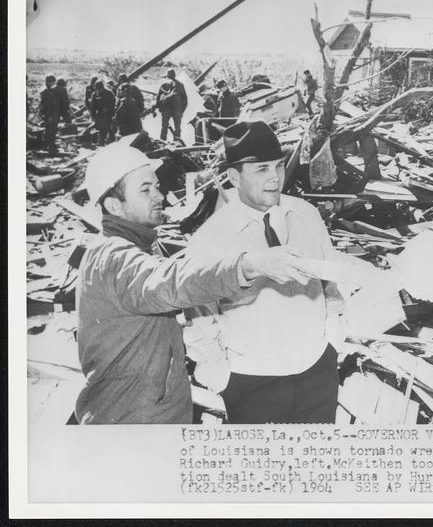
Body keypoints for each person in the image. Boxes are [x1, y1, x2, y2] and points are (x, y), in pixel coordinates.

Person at [75, 143, 316, 424]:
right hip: (134, 421)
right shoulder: (115, 258)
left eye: (156, 186)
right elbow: (170, 282)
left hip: (145, 410)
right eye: (145, 190)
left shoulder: (131, 247)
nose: (160, 195)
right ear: (114, 204)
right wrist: (248, 264)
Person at [183, 120, 345, 424]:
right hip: (253, 383)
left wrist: (333, 343)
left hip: (317, 371)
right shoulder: (209, 239)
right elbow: (200, 318)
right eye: (261, 170)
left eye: (278, 166)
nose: (274, 178)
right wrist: (223, 380)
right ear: (233, 177)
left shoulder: (307, 215)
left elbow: (330, 284)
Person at [156, 70, 187, 141]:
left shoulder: (164, 84)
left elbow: (158, 97)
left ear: (167, 75)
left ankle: (162, 141)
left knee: (164, 126)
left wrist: (159, 107)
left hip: (166, 108)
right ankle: (177, 142)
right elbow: (185, 99)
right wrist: (182, 111)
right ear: (175, 75)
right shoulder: (180, 85)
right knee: (177, 127)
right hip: (177, 109)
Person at [38, 75, 64, 153]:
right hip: (49, 115)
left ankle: (50, 146)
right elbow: (44, 105)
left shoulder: (54, 92)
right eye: (47, 82)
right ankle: (49, 146)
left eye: (49, 82)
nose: (47, 83)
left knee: (52, 130)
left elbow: (56, 105)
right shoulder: (46, 92)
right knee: (49, 130)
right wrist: (45, 115)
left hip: (53, 115)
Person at [89, 79, 116, 146]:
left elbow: (114, 103)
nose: (98, 91)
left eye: (99, 89)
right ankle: (101, 142)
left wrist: (108, 108)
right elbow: (92, 107)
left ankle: (111, 142)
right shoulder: (94, 94)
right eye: (97, 89)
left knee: (110, 128)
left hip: (109, 114)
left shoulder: (109, 93)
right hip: (100, 114)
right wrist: (93, 116)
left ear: (102, 88)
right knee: (101, 129)